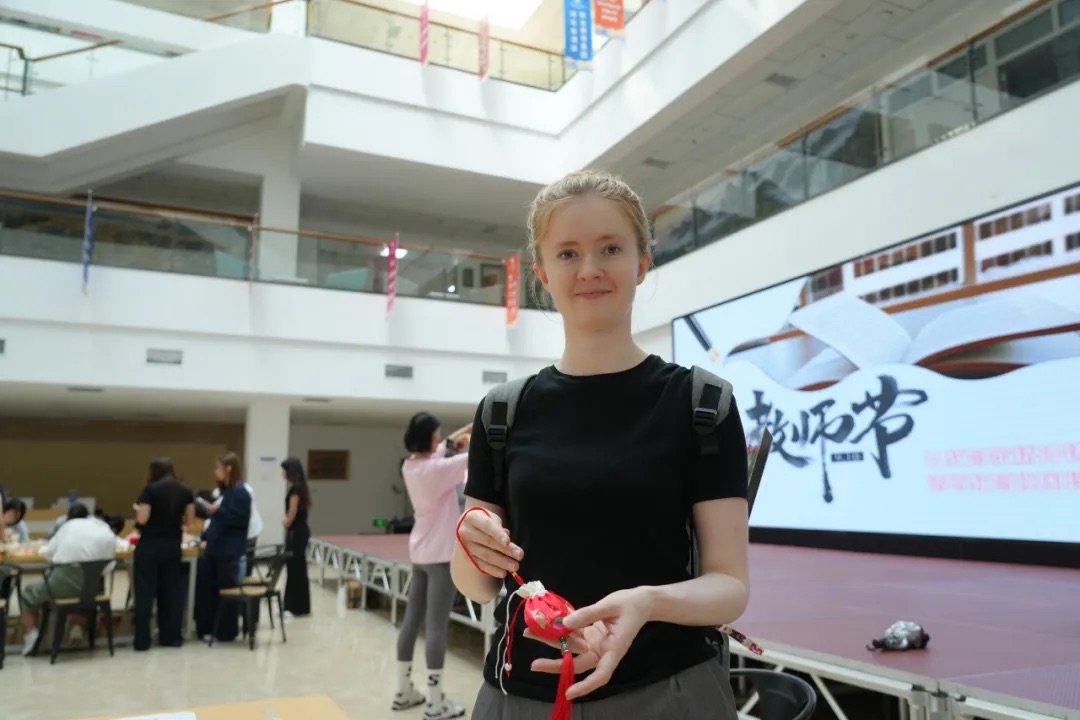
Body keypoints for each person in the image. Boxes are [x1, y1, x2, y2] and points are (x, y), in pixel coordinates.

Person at [452, 171, 750, 720]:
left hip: (668, 693)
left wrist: (650, 601)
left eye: (610, 248)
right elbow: (478, 586)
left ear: (642, 262)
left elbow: (729, 586)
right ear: (543, 273)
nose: (589, 268)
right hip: (522, 697)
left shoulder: (701, 405)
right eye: (567, 253)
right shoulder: (502, 413)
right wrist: (471, 545)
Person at [392, 413, 472, 720]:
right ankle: (435, 703)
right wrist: (480, 430)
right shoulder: (438, 469)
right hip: (440, 556)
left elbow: (446, 445)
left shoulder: (410, 465)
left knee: (411, 622)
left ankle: (403, 692)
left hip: (420, 554)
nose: (440, 439)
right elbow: (472, 454)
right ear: (428, 438)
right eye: (436, 435)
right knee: (437, 627)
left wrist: (460, 434)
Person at [19, 502, 120, 655]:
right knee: (81, 596)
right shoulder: (105, 529)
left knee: (28, 594)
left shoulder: (68, 526)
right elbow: (109, 566)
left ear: (69, 517)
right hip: (93, 589)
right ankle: (76, 627)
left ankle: (32, 635)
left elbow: (48, 553)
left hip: (62, 583)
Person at [132, 457, 195, 651]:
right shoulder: (185, 490)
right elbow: (189, 520)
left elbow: (143, 519)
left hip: (149, 546)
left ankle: (143, 640)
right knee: (171, 592)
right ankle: (171, 637)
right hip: (172, 546)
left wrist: (138, 509)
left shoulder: (150, 490)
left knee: (145, 593)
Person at [194, 452, 251, 643]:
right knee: (208, 590)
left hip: (228, 551)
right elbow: (217, 522)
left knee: (225, 592)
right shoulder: (226, 492)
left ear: (228, 469)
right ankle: (207, 627)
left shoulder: (240, 492)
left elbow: (239, 520)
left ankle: (225, 632)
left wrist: (219, 511)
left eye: (218, 468)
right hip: (215, 549)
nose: (215, 472)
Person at [280, 457, 312, 618]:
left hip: (296, 533)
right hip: (301, 531)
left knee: (294, 568)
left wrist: (286, 521)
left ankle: (294, 607)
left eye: (284, 470)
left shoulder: (295, 490)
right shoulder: (301, 488)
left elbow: (292, 512)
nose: (282, 473)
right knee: (299, 568)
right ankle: (299, 606)